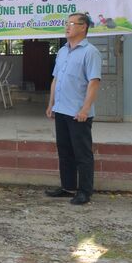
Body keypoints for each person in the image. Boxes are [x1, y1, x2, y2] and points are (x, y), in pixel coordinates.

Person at [45, 13, 102, 206]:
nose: (67, 27)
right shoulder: (62, 51)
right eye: (66, 23)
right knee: (65, 151)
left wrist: (85, 109)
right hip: (61, 109)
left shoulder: (90, 52)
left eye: (71, 23)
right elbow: (56, 79)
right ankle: (67, 187)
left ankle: (85, 191)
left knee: (82, 153)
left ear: (83, 27)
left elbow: (94, 83)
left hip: (78, 113)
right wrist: (51, 103)